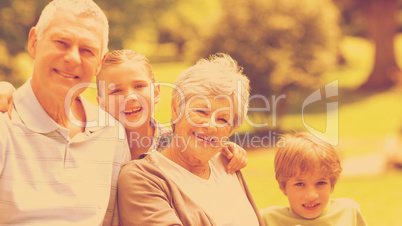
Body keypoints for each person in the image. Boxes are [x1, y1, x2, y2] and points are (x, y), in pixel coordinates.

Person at [0, 0, 130, 225]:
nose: (72, 58)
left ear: (99, 63)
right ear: (34, 42)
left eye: (87, 50)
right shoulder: (4, 123)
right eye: (61, 42)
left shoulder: (112, 134)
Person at [117, 53, 264, 225]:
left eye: (223, 119)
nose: (211, 126)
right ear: (175, 109)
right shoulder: (140, 178)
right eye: (201, 111)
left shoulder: (228, 164)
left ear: (230, 130)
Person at [96, 49, 248, 170]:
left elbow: (204, 144)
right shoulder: (95, 147)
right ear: (101, 103)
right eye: (115, 91)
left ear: (156, 93)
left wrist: (227, 149)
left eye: (139, 86)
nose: (130, 97)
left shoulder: (176, 145)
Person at [260, 132, 367, 226]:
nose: (311, 195)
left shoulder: (348, 211)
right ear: (283, 186)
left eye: (320, 183)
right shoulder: (267, 219)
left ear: (331, 184)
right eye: (300, 184)